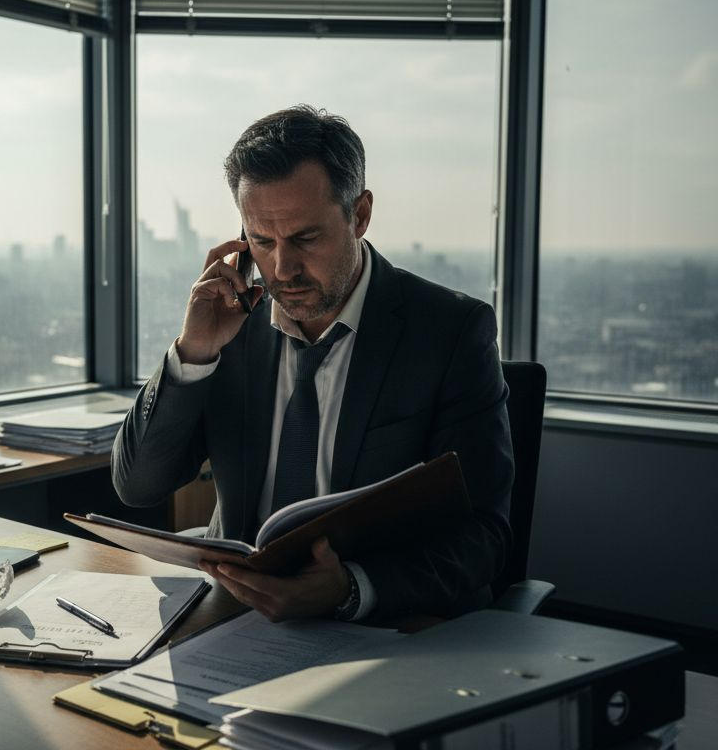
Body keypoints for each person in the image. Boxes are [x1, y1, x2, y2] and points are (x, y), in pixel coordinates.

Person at [113, 105, 514, 623]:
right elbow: (139, 486)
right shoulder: (230, 325)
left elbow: (485, 535)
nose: (283, 269)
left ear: (360, 215)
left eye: (306, 238)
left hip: (379, 627)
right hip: (234, 615)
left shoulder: (450, 332)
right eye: (262, 241)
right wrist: (195, 351)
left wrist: (349, 589)